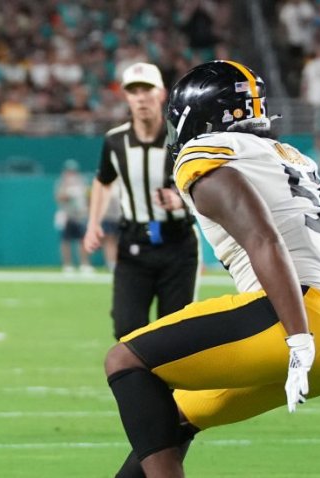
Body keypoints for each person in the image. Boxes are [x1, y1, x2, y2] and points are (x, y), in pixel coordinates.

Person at [104, 60, 320, 477]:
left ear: (199, 115)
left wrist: (298, 338)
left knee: (124, 360)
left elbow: (264, 238)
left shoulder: (204, 152)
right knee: (167, 421)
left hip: (294, 321)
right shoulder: (292, 157)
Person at [83, 62, 200, 340]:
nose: (140, 97)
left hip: (177, 244)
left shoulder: (183, 140)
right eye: (133, 91)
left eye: (146, 89)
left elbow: (206, 183)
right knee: (127, 329)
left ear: (161, 94)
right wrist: (93, 223)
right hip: (134, 244)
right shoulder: (115, 141)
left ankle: (171, 385)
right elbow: (103, 179)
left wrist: (181, 202)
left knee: (175, 333)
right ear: (126, 97)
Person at [55, 159, 93, 274]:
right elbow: (59, 198)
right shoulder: (61, 182)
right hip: (67, 215)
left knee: (82, 240)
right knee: (65, 241)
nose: (71, 173)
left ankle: (84, 263)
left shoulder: (83, 181)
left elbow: (89, 198)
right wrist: (69, 194)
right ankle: (67, 265)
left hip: (80, 215)